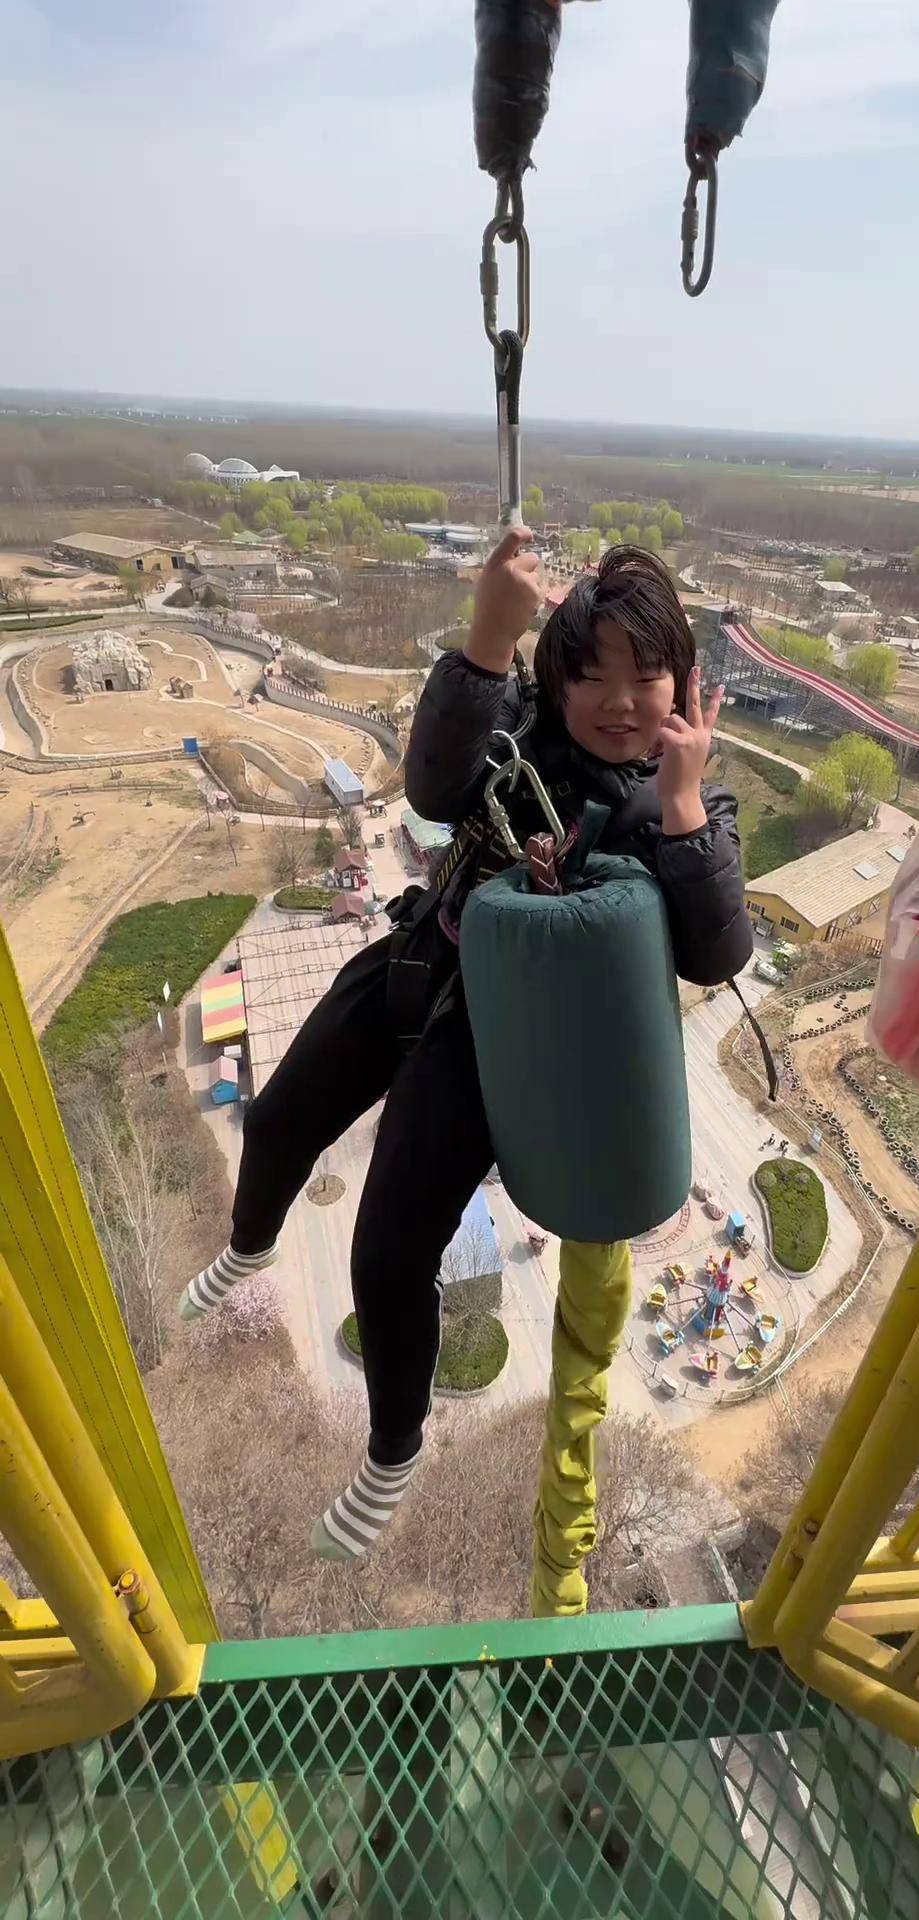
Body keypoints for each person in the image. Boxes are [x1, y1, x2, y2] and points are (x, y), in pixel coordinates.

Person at [179, 533, 753, 1560]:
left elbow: (715, 951)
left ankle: (393, 1446)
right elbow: (438, 788)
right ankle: (252, 1241)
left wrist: (679, 804)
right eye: (591, 674)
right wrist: (488, 643)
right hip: (422, 958)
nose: (618, 700)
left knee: (389, 1244)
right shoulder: (521, 734)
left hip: (501, 1046)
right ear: (554, 679)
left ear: (684, 683)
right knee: (276, 1120)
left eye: (644, 674)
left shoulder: (690, 806)